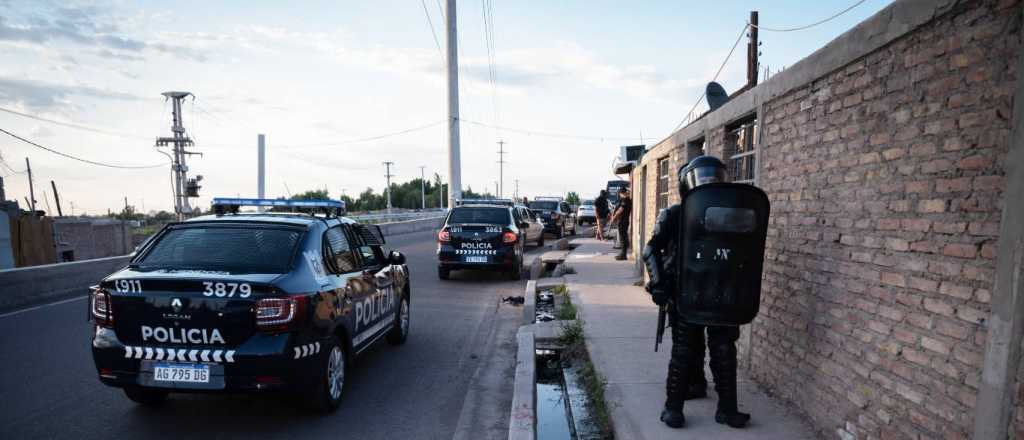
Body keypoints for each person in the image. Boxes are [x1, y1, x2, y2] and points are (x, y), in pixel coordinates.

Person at [643, 156, 761, 429]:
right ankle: (673, 407)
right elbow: (652, 249)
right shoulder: (673, 214)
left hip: (722, 290)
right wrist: (659, 283)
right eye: (702, 177)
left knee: (723, 350)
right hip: (687, 291)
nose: (707, 182)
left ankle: (727, 409)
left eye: (712, 177)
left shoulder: (733, 215)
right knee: (684, 350)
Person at [609, 187, 632, 260]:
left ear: (622, 193)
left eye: (620, 193)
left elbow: (621, 209)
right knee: (623, 237)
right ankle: (622, 253)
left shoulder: (626, 200)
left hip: (623, 221)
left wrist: (615, 217)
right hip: (622, 220)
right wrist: (614, 216)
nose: (620, 195)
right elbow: (617, 208)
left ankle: (623, 254)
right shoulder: (624, 200)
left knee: (623, 238)